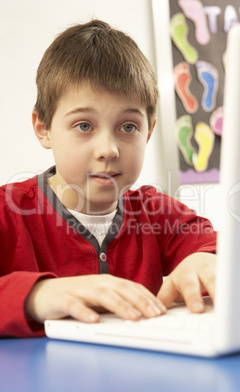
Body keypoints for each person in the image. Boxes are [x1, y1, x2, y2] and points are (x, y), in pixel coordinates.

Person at [0, 20, 217, 338]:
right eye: (84, 125)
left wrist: (205, 260)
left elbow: (216, 247)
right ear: (43, 127)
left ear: (148, 132)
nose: (108, 150)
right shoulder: (8, 212)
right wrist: (37, 295)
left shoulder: (157, 212)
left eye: (128, 126)